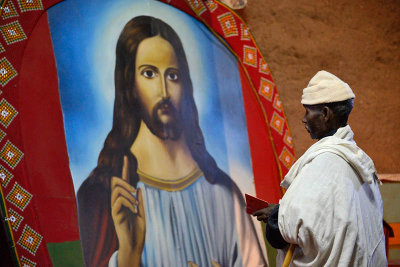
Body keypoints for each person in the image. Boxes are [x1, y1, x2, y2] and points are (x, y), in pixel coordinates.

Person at [77, 16, 266, 267]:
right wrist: (129, 256)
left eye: (173, 76)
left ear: (185, 85)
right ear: (128, 84)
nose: (164, 92)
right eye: (149, 73)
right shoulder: (104, 195)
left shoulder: (222, 193)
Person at [253, 70, 387, 266]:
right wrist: (280, 211)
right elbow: (325, 217)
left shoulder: (326, 162)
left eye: (308, 111)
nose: (304, 119)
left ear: (325, 113)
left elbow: (288, 230)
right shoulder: (355, 158)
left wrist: (277, 218)